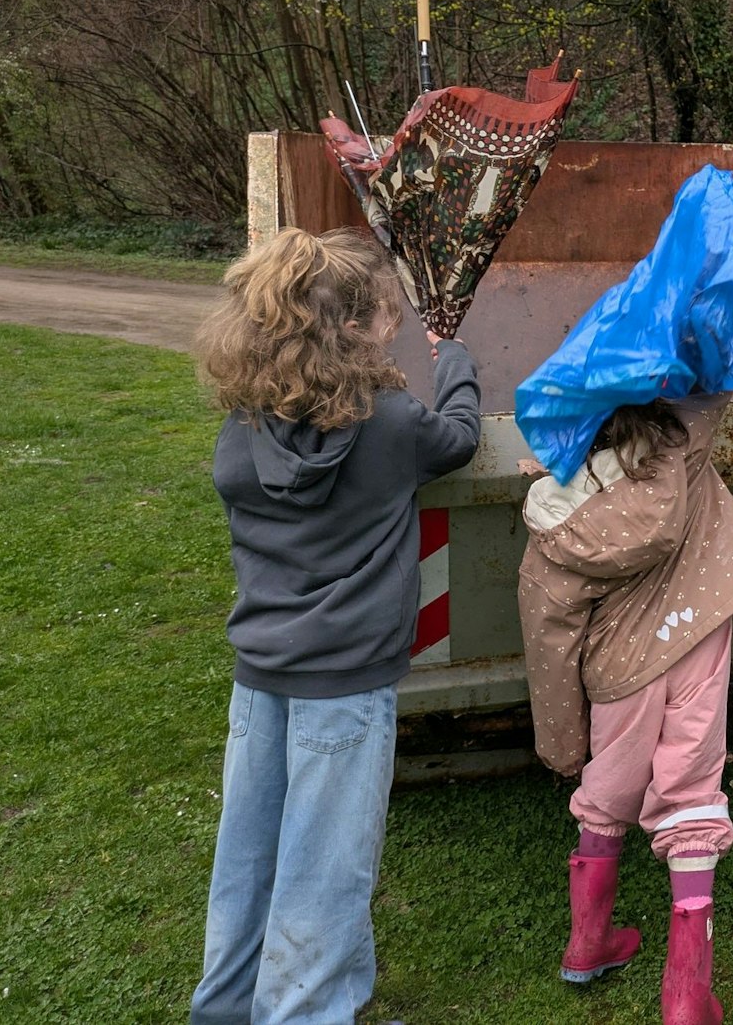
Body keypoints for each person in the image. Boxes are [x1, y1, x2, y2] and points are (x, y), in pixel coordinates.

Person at [189, 227, 481, 1024]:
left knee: (249, 856)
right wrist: (453, 358)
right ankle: (306, 1014)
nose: (392, 324)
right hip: (347, 686)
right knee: (328, 870)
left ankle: (225, 1007)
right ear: (353, 327)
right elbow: (455, 438)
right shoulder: (390, 426)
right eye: (386, 314)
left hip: (262, 674)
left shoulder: (241, 429)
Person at [516, 393, 733, 1023]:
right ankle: (687, 996)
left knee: (608, 783)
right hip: (696, 638)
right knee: (689, 789)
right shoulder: (682, 447)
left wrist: (561, 745)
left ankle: (587, 943)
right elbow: (711, 390)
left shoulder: (550, 535)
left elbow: (548, 646)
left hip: (617, 670)